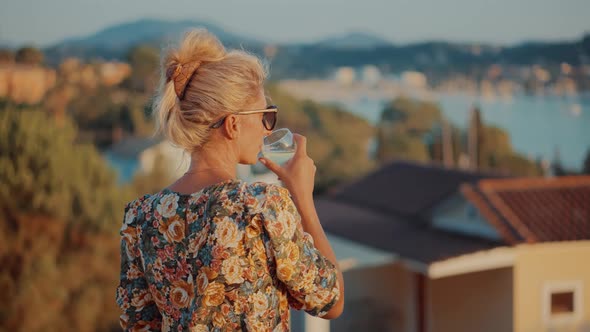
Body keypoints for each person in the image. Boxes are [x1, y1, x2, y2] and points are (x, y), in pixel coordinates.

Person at [116, 28, 344, 331]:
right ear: (233, 124)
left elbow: (139, 325)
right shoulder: (261, 207)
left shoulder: (140, 217)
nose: (267, 129)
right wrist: (303, 197)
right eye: (265, 116)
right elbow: (330, 301)